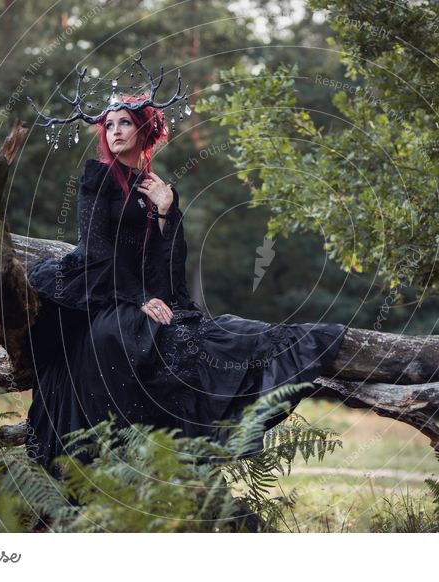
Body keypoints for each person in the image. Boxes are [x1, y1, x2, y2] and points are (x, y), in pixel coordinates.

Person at [25, 95, 348, 469]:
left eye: (124, 123)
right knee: (160, 341)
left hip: (145, 294)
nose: (115, 132)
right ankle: (136, 460)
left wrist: (166, 209)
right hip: (106, 294)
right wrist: (138, 297)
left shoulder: (153, 186)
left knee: (215, 337)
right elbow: (96, 250)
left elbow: (167, 261)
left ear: (143, 129)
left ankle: (193, 448)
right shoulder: (96, 178)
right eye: (109, 125)